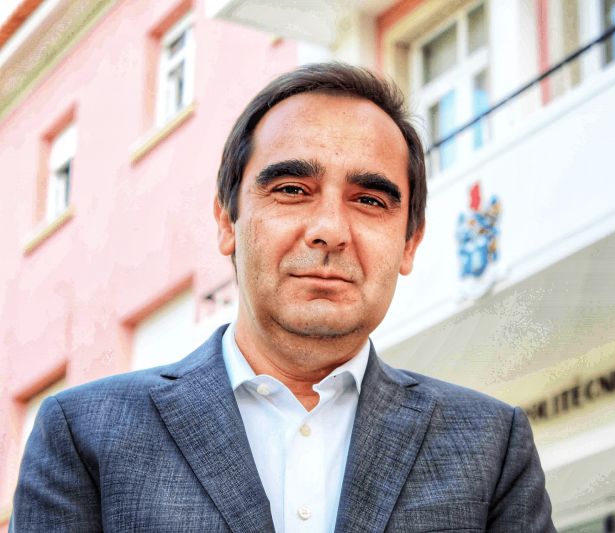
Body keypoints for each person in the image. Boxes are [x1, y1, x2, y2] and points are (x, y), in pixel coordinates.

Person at [13, 63, 555, 532]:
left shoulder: (490, 447)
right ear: (227, 221)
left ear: (409, 242)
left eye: (369, 200)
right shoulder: (84, 436)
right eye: (292, 190)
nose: (329, 231)